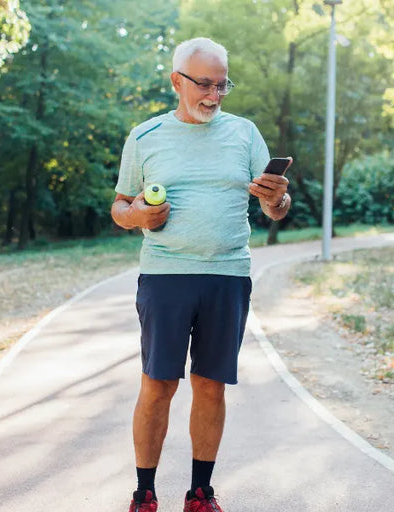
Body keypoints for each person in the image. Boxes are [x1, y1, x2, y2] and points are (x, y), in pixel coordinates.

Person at [111, 37, 291, 512]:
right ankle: (144, 493)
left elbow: (277, 208)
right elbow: (119, 205)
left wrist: (275, 197)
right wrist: (138, 218)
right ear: (177, 81)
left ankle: (200, 493)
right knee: (159, 384)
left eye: (222, 85)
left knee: (210, 384)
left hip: (228, 275)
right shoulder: (145, 136)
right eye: (205, 85)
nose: (214, 95)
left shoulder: (245, 133)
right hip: (166, 276)